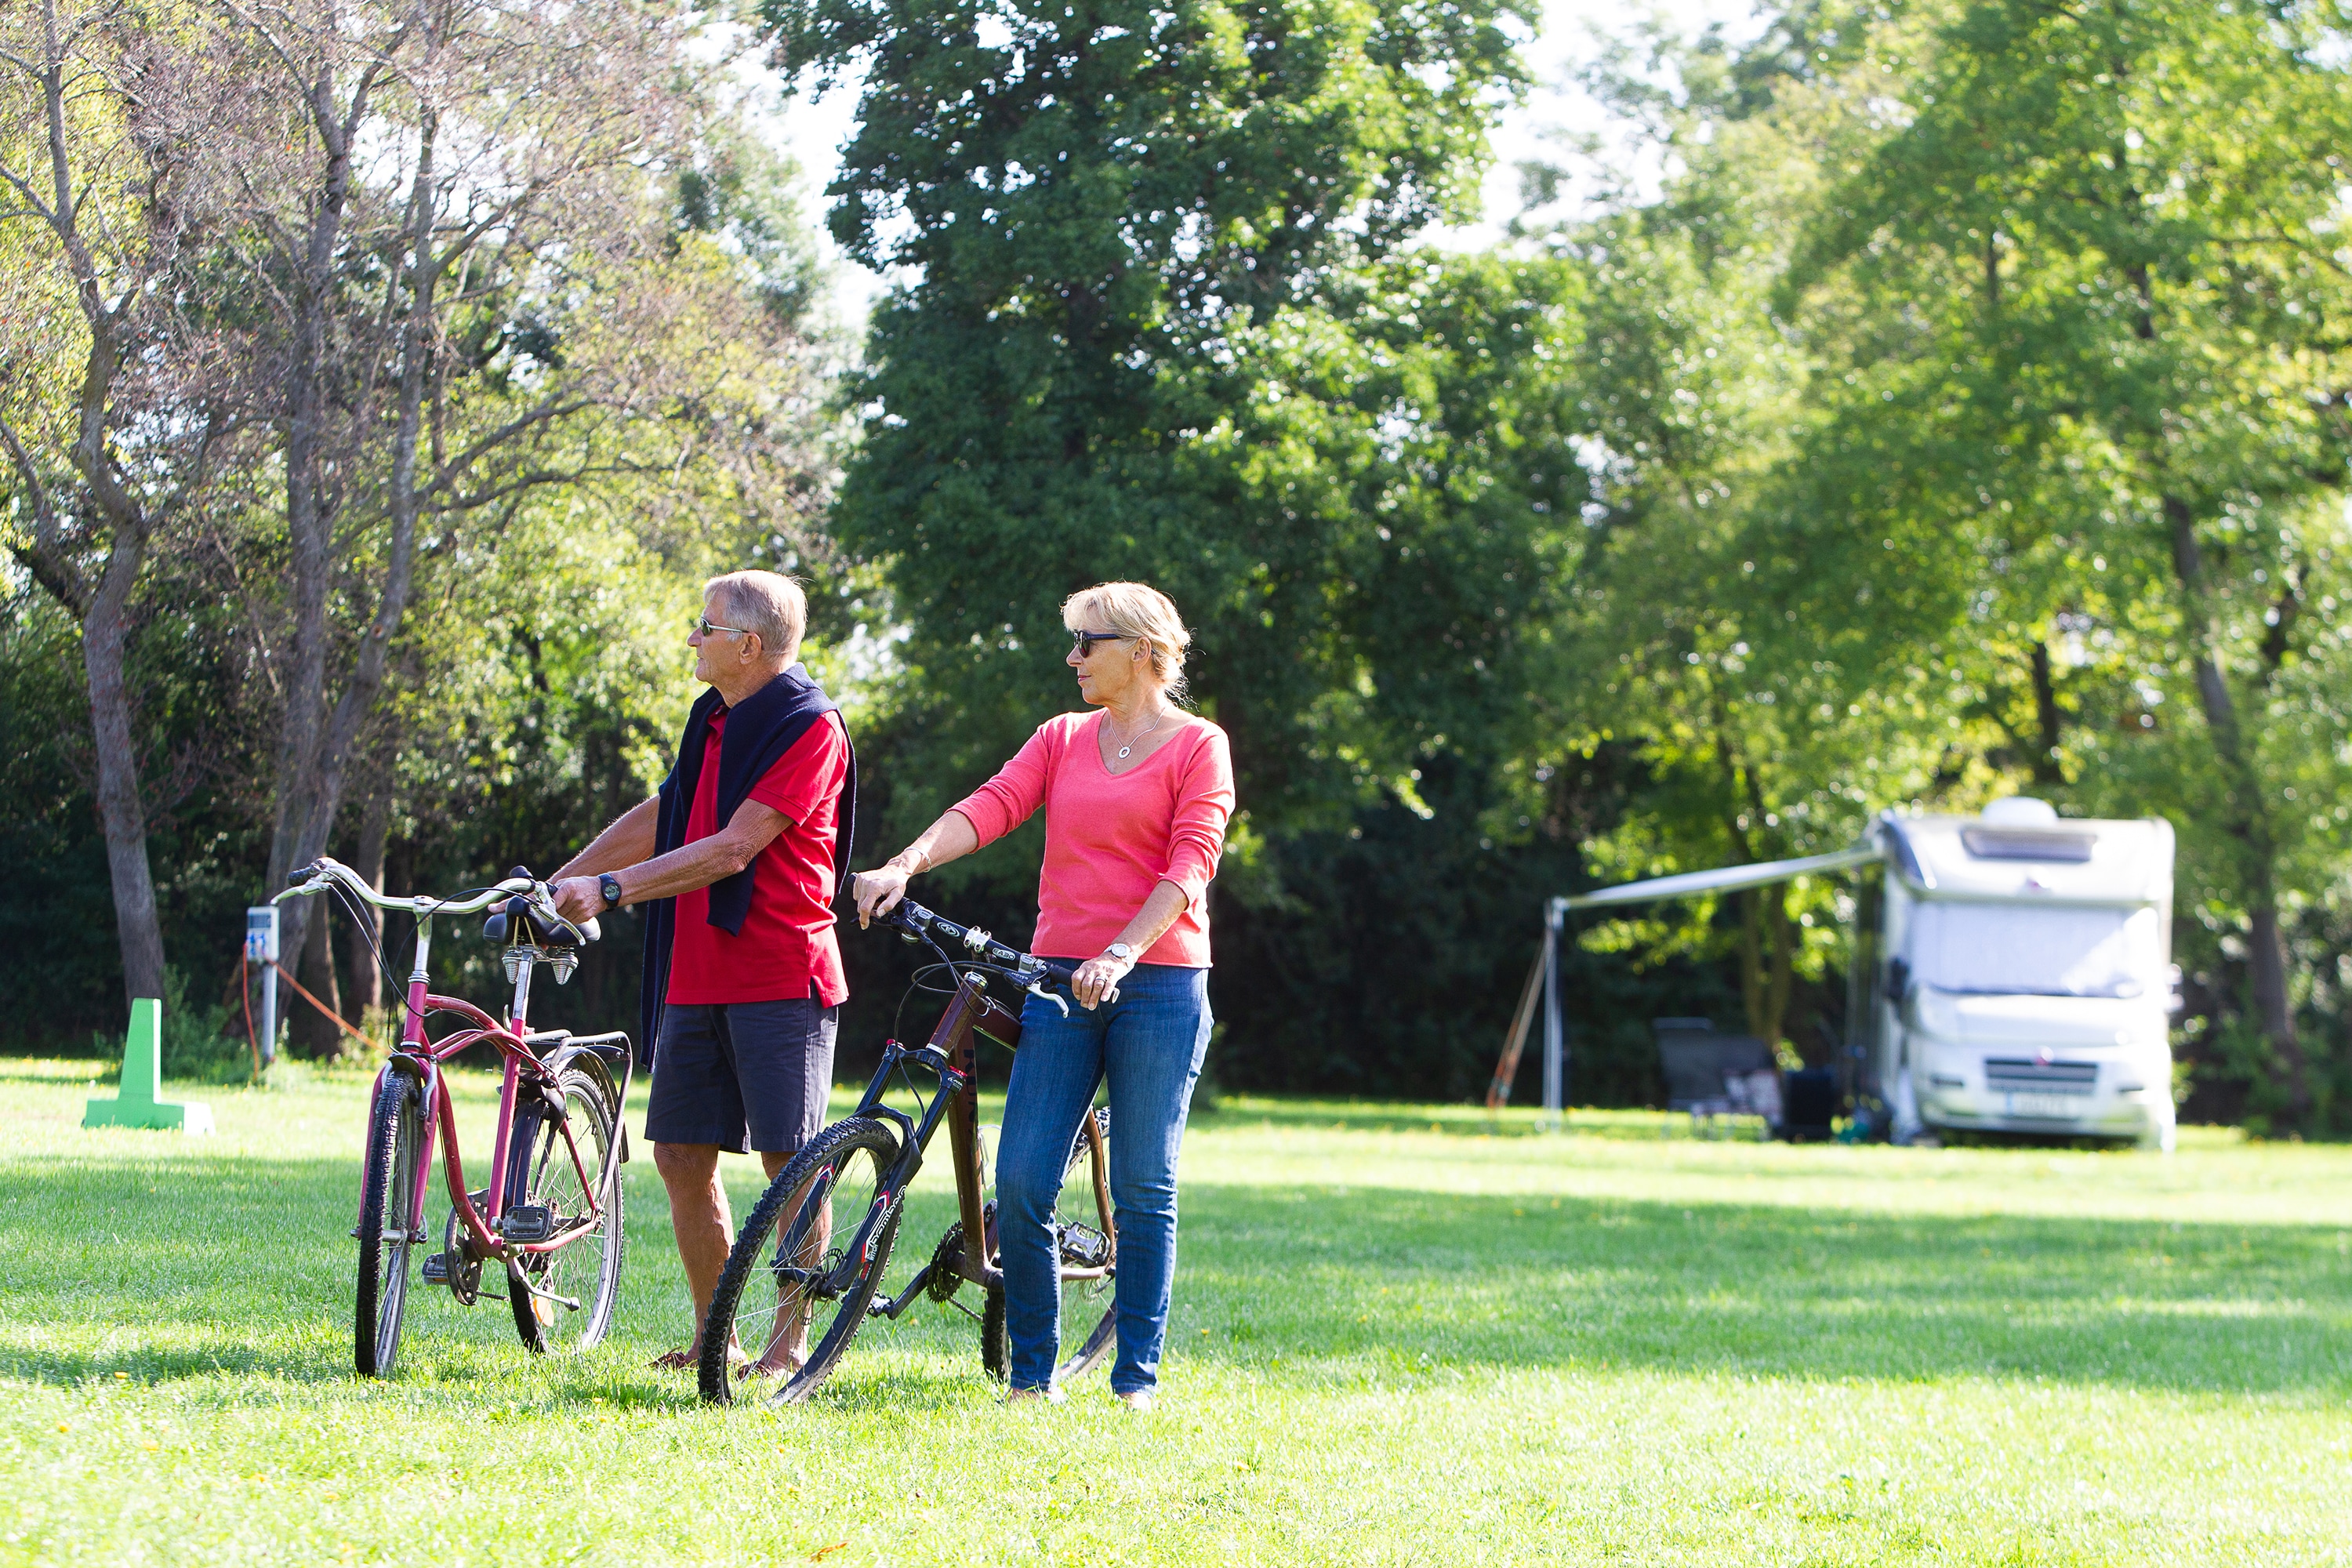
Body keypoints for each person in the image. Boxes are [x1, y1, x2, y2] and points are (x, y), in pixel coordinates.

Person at [854, 581, 1232, 1411]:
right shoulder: (1062, 738)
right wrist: (904, 863)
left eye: (1085, 643)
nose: (1071, 658)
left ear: (1140, 651)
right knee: (1023, 1178)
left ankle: (1135, 1378)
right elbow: (992, 806)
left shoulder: (1198, 745)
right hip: (1060, 979)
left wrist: (1127, 949)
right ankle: (1033, 1375)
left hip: (1160, 981)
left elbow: (1191, 861)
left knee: (1142, 1184)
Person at [549, 569, 855, 1376]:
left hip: (781, 976)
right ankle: (716, 1334)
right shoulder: (713, 718)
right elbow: (670, 814)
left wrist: (611, 891)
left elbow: (732, 847)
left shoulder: (808, 727)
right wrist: (561, 880)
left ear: (748, 644)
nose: (692, 637)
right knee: (681, 1154)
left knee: (789, 1161)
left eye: (704, 625)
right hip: (697, 972)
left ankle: (790, 1344)